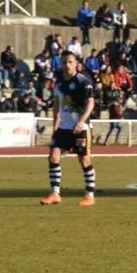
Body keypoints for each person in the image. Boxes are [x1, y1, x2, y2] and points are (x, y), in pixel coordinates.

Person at [40, 51, 98, 206]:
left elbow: (91, 103)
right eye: (64, 62)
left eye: (69, 62)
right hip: (63, 128)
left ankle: (89, 195)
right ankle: (55, 194)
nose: (66, 65)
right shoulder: (58, 84)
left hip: (81, 127)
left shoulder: (83, 81)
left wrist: (81, 121)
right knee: (53, 156)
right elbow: (56, 107)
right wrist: (55, 128)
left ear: (76, 63)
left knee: (84, 160)